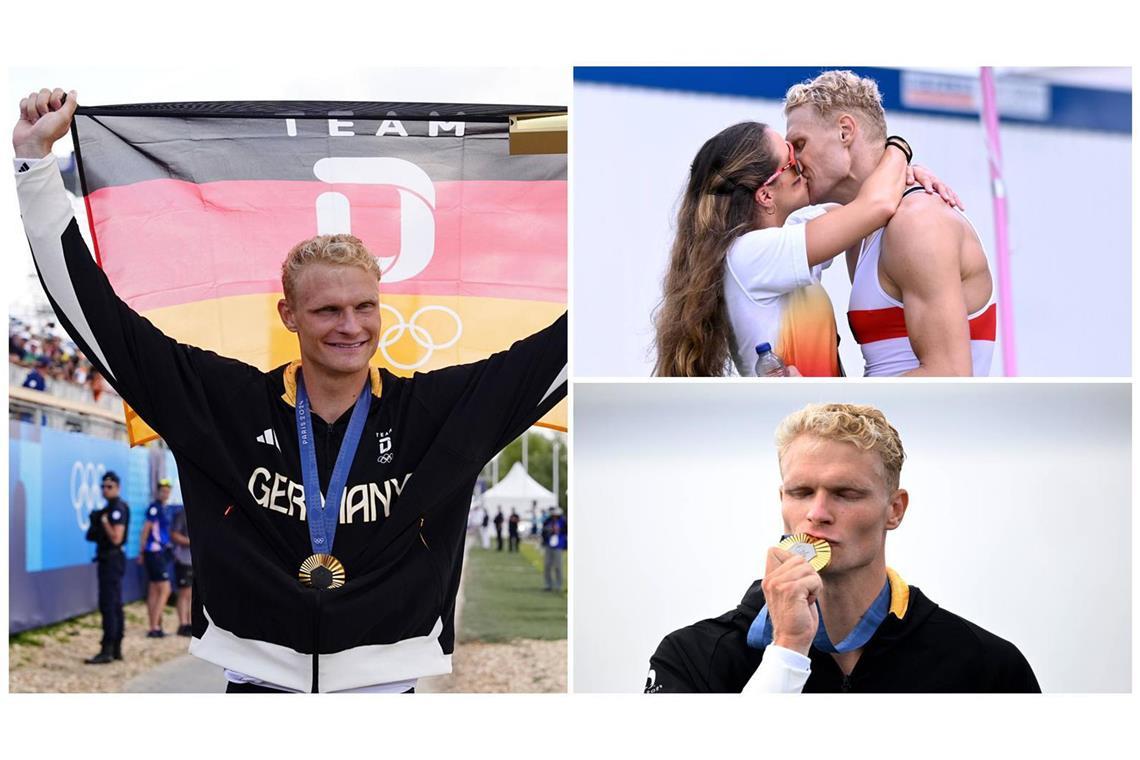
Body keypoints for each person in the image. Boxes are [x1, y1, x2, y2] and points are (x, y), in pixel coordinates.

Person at [15, 88, 567, 693]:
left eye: (364, 307)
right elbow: (97, 320)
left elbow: (564, 350)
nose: (351, 326)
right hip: (257, 687)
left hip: (386, 692)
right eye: (327, 309)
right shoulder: (220, 401)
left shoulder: (437, 412)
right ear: (288, 315)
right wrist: (35, 167)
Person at [644, 403, 1039, 693]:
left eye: (845, 493)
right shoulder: (691, 656)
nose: (817, 513)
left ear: (894, 509)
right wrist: (787, 651)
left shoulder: (986, 665)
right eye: (800, 492)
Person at [653, 120, 959, 377]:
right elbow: (874, 206)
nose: (801, 166)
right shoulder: (751, 254)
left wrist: (908, 174)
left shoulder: (787, 234)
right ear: (765, 196)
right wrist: (899, 148)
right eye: (790, 163)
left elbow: (860, 206)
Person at [784, 70, 996, 376]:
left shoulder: (917, 223)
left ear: (845, 132)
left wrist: (830, 405)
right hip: (890, 422)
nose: (794, 163)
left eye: (800, 145)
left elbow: (949, 375)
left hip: (926, 424)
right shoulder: (861, 229)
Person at [83, 471, 130, 664]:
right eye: (103, 486)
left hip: (112, 560)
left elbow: (116, 538)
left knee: (109, 605)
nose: (105, 489)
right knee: (115, 604)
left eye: (109, 486)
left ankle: (108, 649)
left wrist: (103, 521)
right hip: (109, 560)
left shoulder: (116, 508)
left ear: (117, 488)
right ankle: (116, 648)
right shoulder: (110, 507)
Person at [136, 478, 174, 637]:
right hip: (155, 551)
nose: (165, 493)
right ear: (158, 491)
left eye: (167, 491)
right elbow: (146, 529)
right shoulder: (154, 508)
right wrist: (141, 551)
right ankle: (155, 626)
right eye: (162, 491)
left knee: (153, 590)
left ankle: (154, 625)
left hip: (161, 551)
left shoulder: (165, 508)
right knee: (165, 590)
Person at [168, 502, 193, 637]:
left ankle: (189, 622)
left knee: (191, 594)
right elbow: (174, 534)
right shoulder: (181, 514)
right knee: (184, 592)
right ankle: (183, 623)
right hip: (183, 558)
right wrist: (191, 541)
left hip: (194, 560)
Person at [542, 508, 566, 592]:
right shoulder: (548, 521)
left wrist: (565, 545)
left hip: (558, 546)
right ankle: (548, 585)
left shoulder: (563, 522)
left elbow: (566, 533)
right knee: (547, 566)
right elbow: (543, 532)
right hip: (549, 546)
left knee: (558, 567)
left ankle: (559, 585)